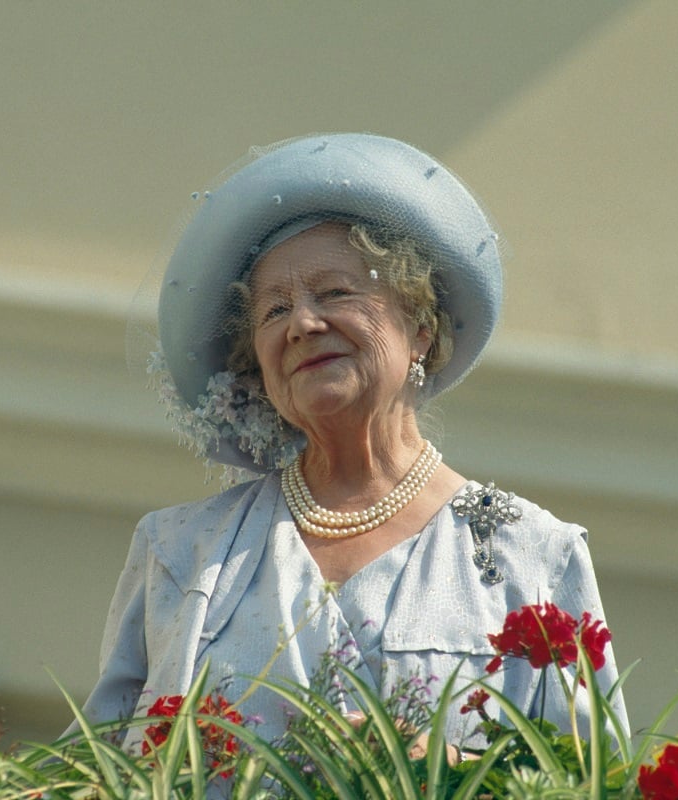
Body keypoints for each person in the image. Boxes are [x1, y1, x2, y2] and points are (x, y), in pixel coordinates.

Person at [78, 133, 629, 758]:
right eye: (274, 311)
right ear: (256, 365)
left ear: (420, 327)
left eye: (336, 293)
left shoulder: (532, 557)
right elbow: (95, 768)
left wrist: (447, 773)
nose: (304, 324)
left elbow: (592, 779)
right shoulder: (179, 553)